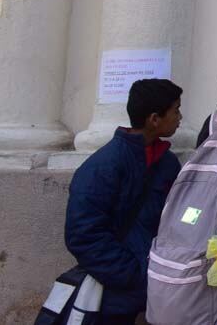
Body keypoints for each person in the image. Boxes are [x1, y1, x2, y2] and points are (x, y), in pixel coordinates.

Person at [64, 78, 183, 325]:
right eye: (175, 110)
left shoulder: (168, 163)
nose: (180, 117)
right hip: (111, 296)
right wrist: (133, 275)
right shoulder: (103, 166)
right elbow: (83, 235)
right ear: (154, 119)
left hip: (153, 291)